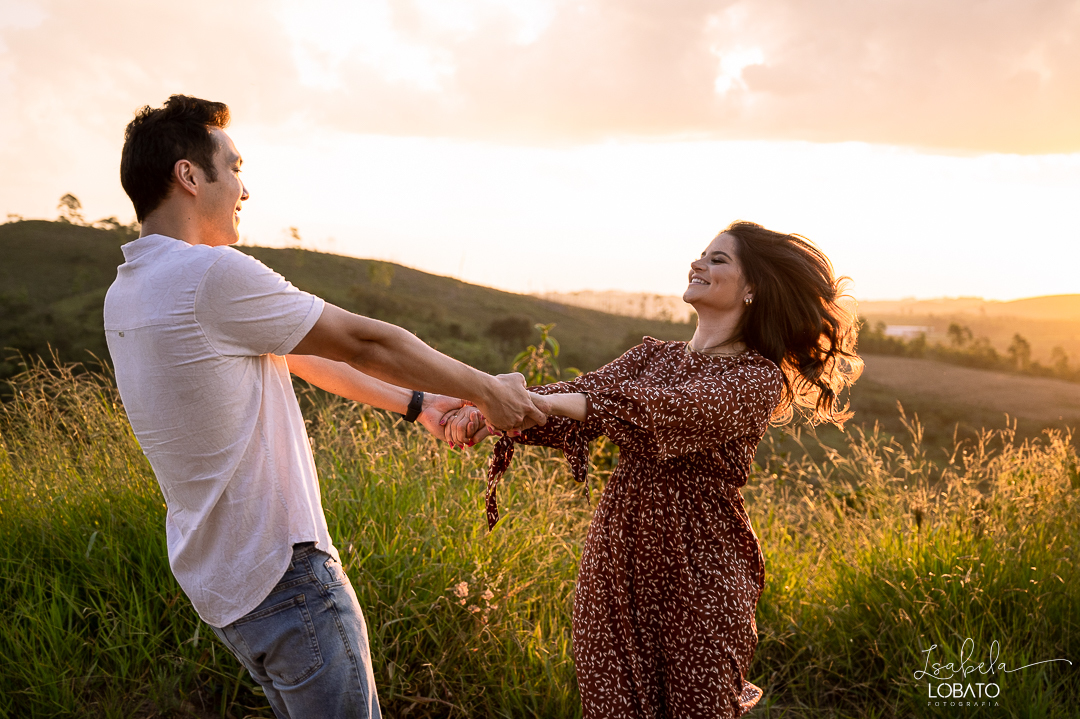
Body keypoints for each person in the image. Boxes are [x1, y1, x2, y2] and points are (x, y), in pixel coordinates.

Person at [104, 94, 545, 719]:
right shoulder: (210, 277)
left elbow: (298, 355)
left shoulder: (129, 291)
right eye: (232, 167)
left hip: (227, 587)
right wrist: (488, 391)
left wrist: (417, 404)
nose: (243, 188)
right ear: (189, 175)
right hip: (287, 578)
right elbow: (367, 339)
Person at [444, 222, 861, 718]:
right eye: (701, 254)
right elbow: (577, 398)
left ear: (753, 289)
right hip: (615, 569)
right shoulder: (650, 356)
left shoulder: (755, 379)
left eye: (718, 259)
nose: (698, 263)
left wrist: (518, 398)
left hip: (701, 573)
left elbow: (658, 410)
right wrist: (490, 411)